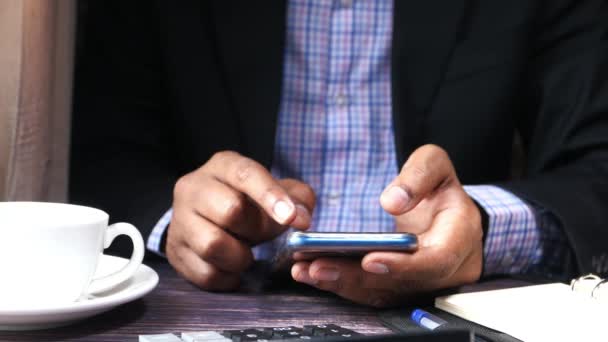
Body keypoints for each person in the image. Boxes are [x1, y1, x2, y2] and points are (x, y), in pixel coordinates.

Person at [70, 0, 608, 307]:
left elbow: (596, 170)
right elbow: (98, 159)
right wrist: (178, 220)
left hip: (453, 309)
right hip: (208, 302)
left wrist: (483, 228)